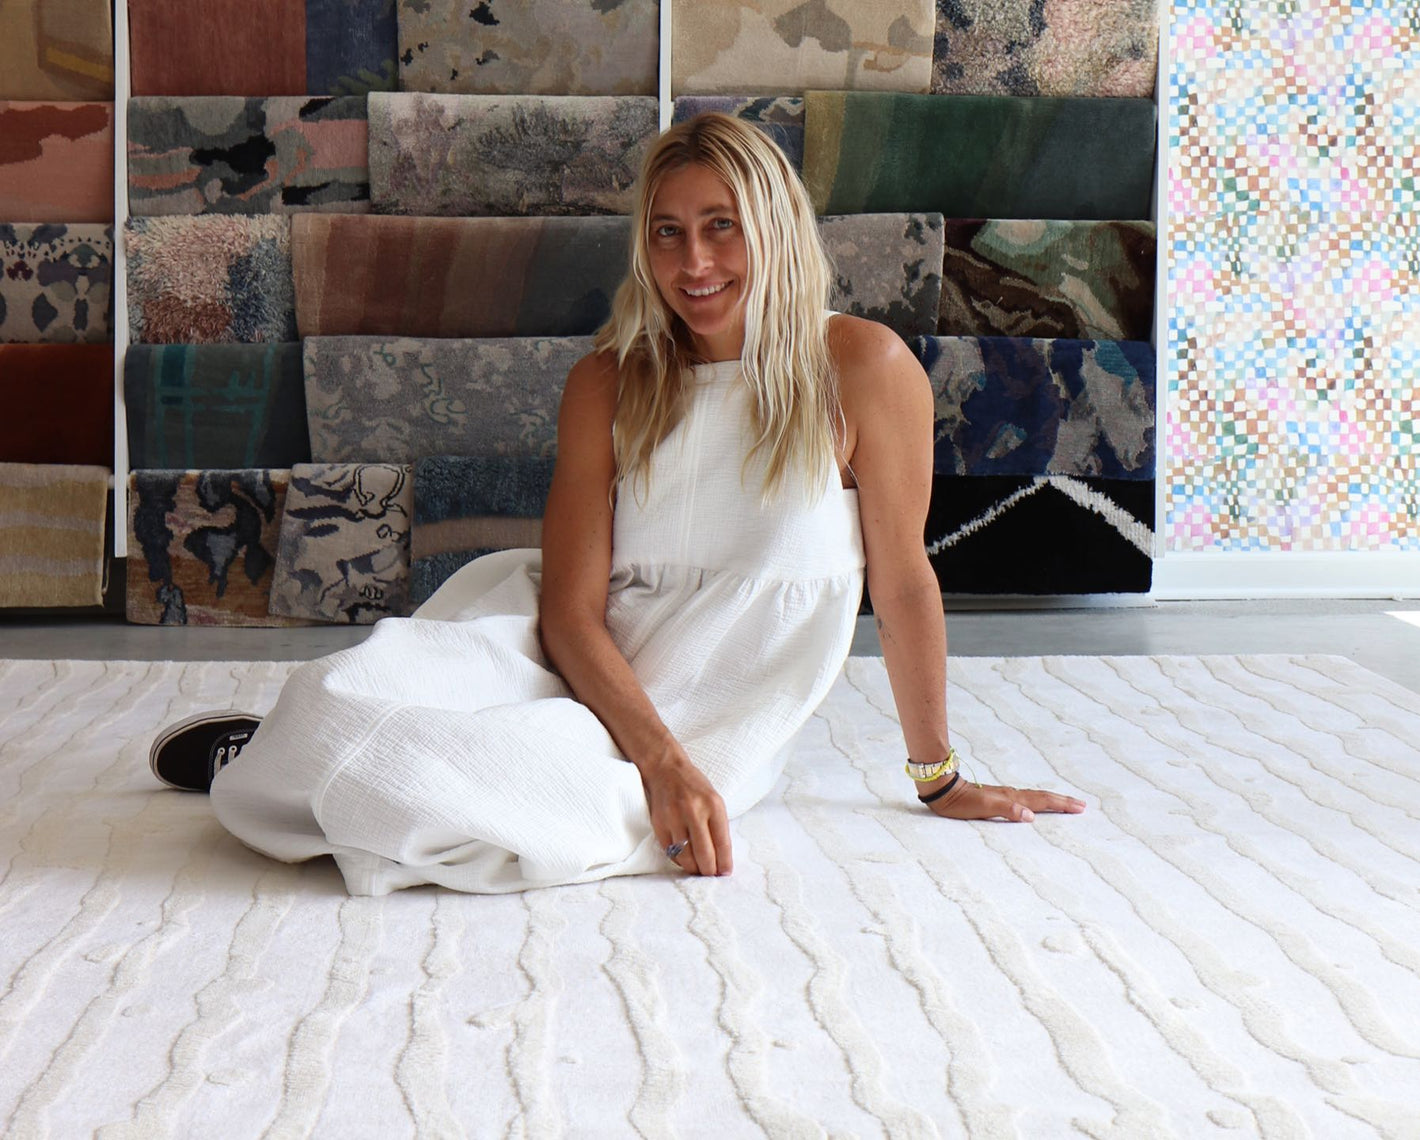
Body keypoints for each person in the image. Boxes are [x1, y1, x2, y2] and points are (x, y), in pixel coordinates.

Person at [149, 113, 1084, 895]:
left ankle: (309, 766)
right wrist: (662, 763)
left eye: (722, 225)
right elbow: (566, 609)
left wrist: (937, 777)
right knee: (331, 696)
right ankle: (263, 751)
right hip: (568, 655)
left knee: (513, 814)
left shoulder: (862, 368)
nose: (695, 262)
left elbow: (904, 578)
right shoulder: (610, 380)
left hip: (706, 707)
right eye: (668, 232)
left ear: (776, 226)